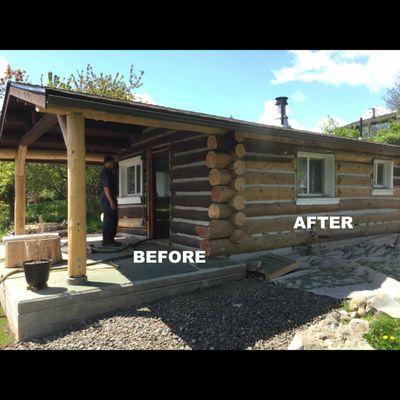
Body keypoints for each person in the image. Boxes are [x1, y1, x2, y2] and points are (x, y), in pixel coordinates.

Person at [99, 156, 121, 246]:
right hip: (107, 199)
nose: (113, 164)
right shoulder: (104, 173)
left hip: (112, 198)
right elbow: (106, 188)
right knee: (108, 219)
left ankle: (111, 239)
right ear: (107, 162)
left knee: (114, 218)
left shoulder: (111, 172)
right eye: (112, 162)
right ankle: (106, 241)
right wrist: (111, 201)